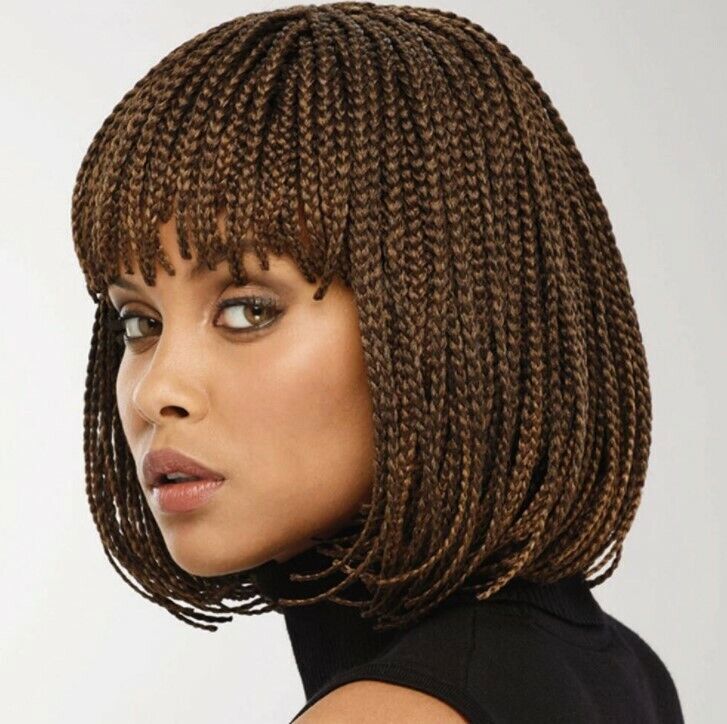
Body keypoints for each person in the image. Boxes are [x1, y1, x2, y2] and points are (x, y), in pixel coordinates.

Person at [70, 2, 684, 721]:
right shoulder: (624, 670)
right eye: (139, 322)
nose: (155, 391)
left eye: (248, 310)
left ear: (444, 317)